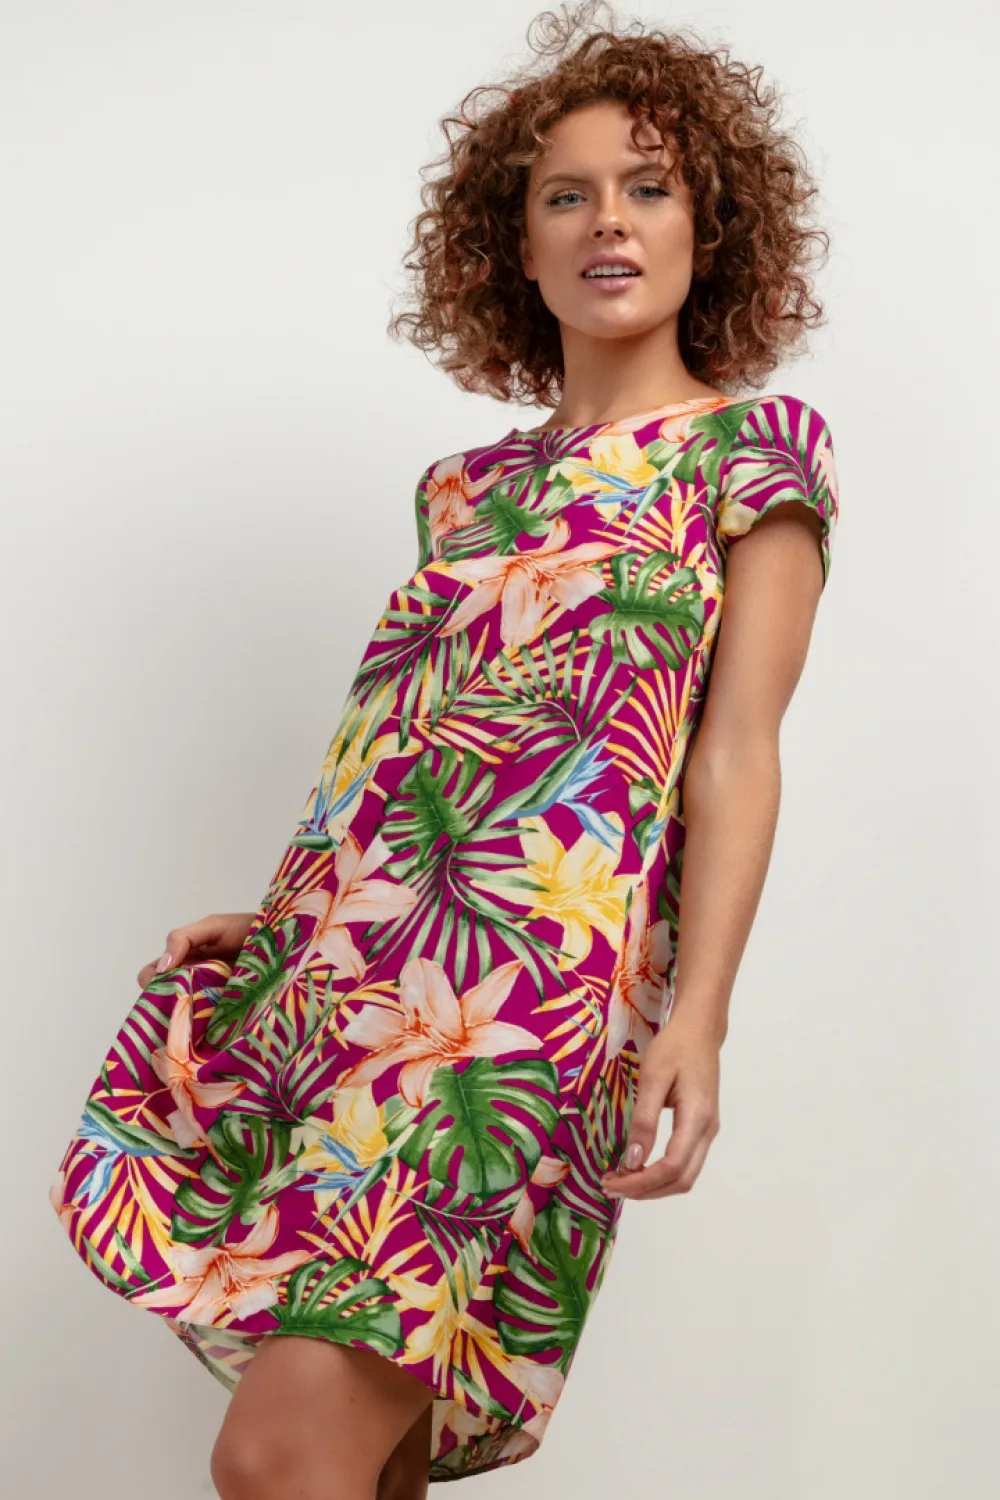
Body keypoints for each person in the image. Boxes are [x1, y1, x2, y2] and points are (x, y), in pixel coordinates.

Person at [49, 5, 839, 1496]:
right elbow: (403, 750)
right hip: (361, 972)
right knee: (368, 1458)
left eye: (650, 187)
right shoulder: (463, 491)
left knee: (277, 1457)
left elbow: (737, 753)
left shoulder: (754, 454)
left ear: (710, 229)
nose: (610, 221)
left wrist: (702, 1018)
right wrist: (291, 923)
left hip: (535, 993)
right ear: (516, 249)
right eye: (567, 195)